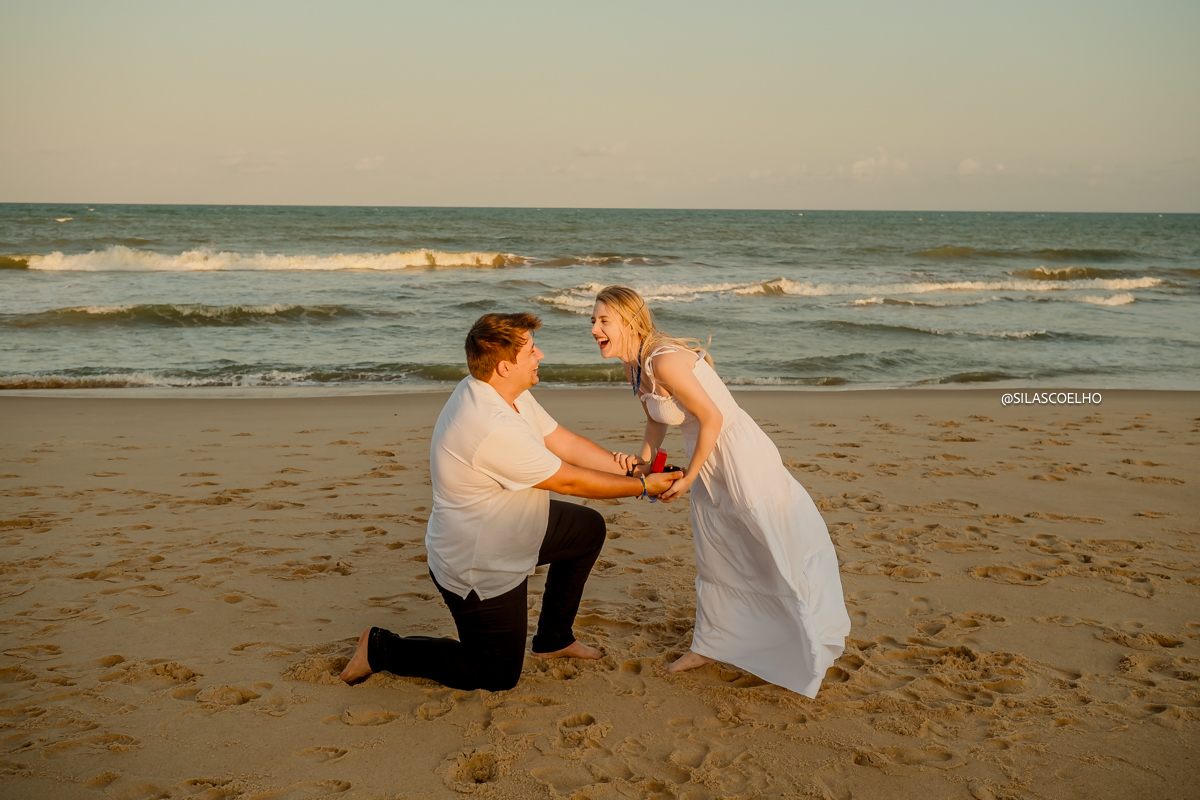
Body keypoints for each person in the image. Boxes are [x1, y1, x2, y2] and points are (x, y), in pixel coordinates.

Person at [340, 311, 682, 692]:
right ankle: (381, 649)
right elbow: (567, 481)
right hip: (479, 563)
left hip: (518, 527)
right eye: (532, 351)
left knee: (587, 530)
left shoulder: (501, 391)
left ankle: (554, 640)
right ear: (505, 366)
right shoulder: (491, 424)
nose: (541, 356)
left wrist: (632, 473)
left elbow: (563, 442)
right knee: (495, 675)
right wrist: (644, 489)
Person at [590, 286, 850, 698]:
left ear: (630, 322)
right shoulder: (635, 367)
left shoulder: (664, 359)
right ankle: (710, 645)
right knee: (717, 549)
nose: (594, 328)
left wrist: (689, 477)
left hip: (735, 452)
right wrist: (645, 461)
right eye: (592, 320)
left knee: (766, 540)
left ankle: (800, 637)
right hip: (705, 457)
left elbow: (712, 416)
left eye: (604, 320)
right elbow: (656, 419)